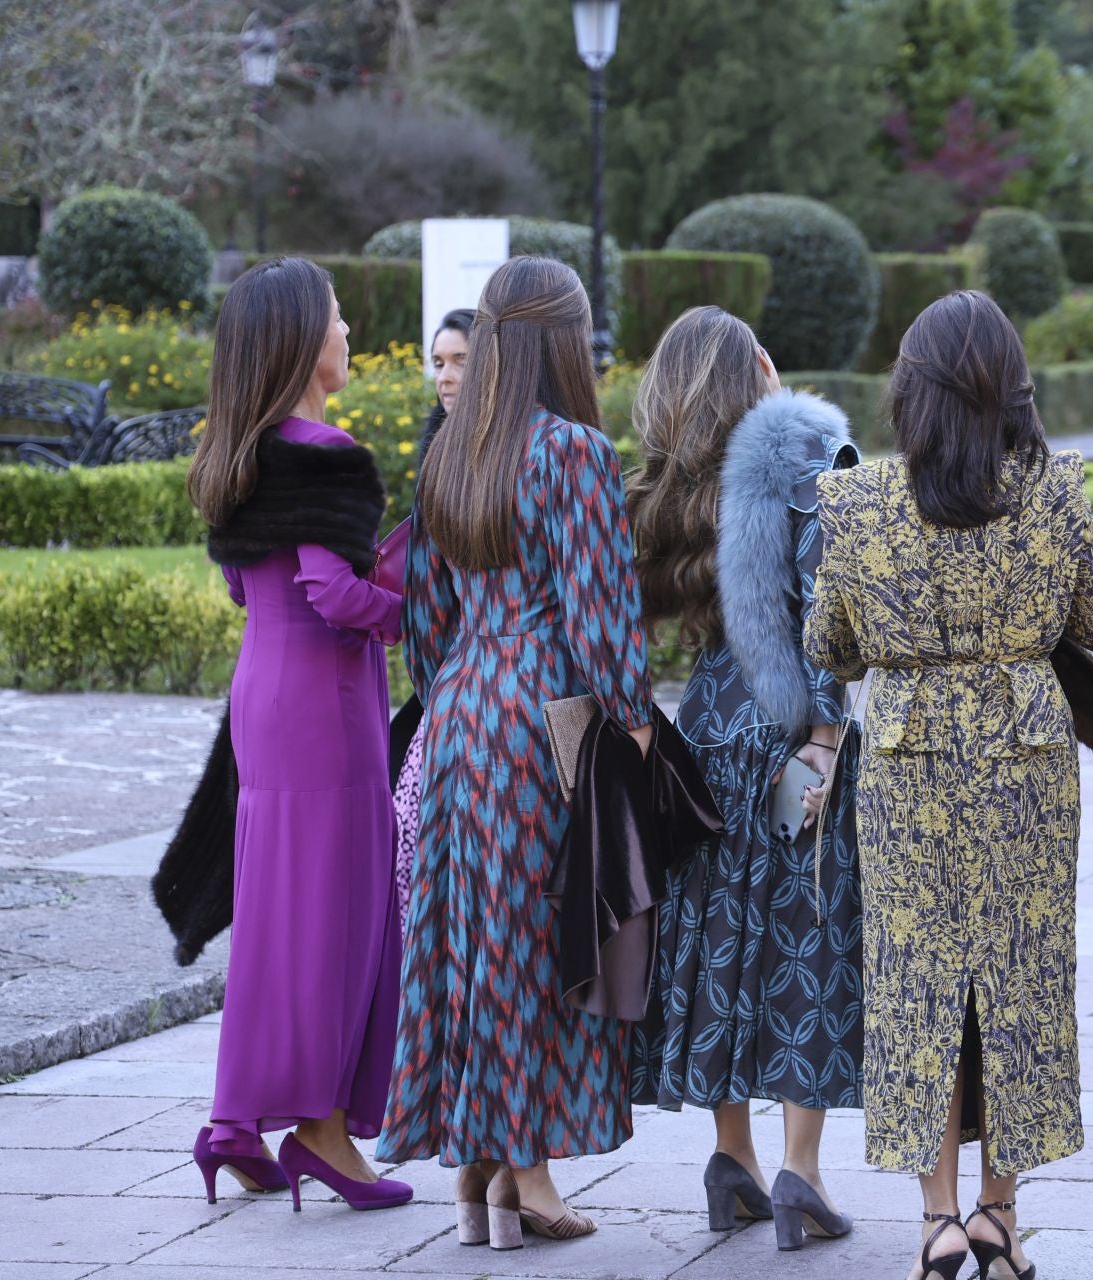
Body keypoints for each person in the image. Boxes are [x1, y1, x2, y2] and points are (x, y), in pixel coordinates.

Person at [804, 290, 1093, 1280]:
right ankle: (1002, 1215)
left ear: (910, 388)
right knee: (1021, 983)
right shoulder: (1055, 487)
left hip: (908, 762)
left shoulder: (855, 501)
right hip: (1026, 759)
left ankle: (937, 1217)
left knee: (918, 985)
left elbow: (833, 646)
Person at [376, 257, 654, 1249]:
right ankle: (530, 1175)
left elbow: (428, 617)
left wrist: (461, 695)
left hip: (458, 716)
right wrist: (636, 720)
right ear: (559, 340)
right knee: (538, 941)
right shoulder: (571, 451)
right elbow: (601, 612)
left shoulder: (453, 449)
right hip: (542, 717)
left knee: (467, 941)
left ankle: (476, 1168)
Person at [625, 306, 864, 1251]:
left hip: (706, 737)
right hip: (795, 732)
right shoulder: (806, 465)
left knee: (719, 944)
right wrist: (826, 740)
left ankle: (734, 1159)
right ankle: (802, 1172)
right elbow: (832, 625)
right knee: (807, 941)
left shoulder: (667, 489)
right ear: (761, 366)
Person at [185, 256, 411, 1211]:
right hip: (324, 705)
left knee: (279, 912)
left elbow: (250, 587)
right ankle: (322, 1136)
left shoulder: (238, 449)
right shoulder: (324, 446)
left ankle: (235, 1124)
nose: (349, 332)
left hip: (264, 695)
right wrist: (422, 606)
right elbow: (334, 594)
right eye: (337, 318)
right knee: (339, 919)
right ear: (299, 343)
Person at [390, 307, 474, 929]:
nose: (444, 378)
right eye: (438, 363)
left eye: (460, 362)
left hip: (483, 688)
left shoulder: (517, 459)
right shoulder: (438, 457)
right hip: (443, 688)